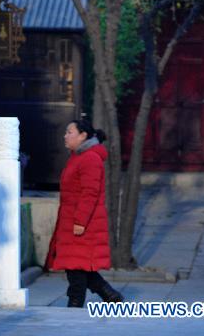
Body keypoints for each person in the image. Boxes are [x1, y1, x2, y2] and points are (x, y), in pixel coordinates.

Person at [46, 118, 124, 307]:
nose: (65, 136)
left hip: (83, 224)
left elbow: (90, 193)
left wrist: (80, 222)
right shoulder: (78, 156)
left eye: (69, 132)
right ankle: (110, 295)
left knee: (76, 268)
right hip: (71, 221)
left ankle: (76, 305)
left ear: (83, 136)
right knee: (76, 266)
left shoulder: (90, 158)